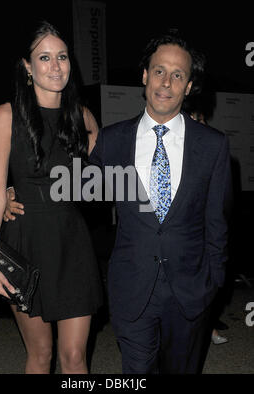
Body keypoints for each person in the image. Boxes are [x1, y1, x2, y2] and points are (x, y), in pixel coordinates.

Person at [89, 31, 232, 373]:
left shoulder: (212, 146)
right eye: (158, 71)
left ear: (189, 85)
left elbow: (218, 223)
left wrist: (213, 284)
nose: (166, 82)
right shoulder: (113, 140)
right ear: (144, 76)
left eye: (177, 75)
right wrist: (16, 190)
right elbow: (79, 192)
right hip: (132, 288)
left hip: (190, 292)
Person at [0, 20, 103, 374]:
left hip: (72, 244)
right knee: (40, 354)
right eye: (45, 58)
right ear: (27, 67)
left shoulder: (83, 117)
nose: (55, 66)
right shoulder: (6, 116)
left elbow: (108, 180)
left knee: (75, 357)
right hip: (26, 243)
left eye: (62, 57)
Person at [188, 108, 229, 345]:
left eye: (200, 119)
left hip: (205, 231)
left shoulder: (213, 149)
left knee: (205, 285)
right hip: (184, 233)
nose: (196, 123)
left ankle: (208, 326)